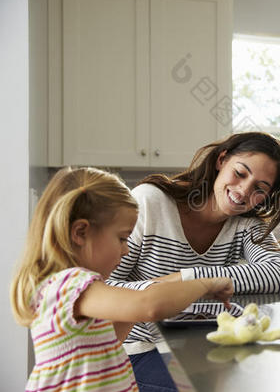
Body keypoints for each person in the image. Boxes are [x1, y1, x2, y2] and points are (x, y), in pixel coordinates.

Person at [10, 167, 234, 392]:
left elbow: (106, 341)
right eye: (122, 238)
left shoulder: (77, 289)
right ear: (80, 233)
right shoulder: (69, 285)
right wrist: (206, 283)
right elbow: (148, 306)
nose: (126, 250)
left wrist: (140, 304)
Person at [107, 131, 280, 391]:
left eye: (259, 189)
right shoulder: (150, 203)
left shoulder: (245, 222)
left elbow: (277, 275)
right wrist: (168, 292)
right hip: (142, 348)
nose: (243, 191)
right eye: (240, 173)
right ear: (222, 160)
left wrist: (188, 278)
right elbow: (104, 286)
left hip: (206, 344)